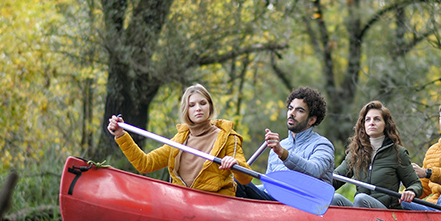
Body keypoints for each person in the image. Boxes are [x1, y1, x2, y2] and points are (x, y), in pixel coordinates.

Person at [107, 83, 253, 196]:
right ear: (186, 110)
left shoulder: (228, 137)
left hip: (216, 205)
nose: (198, 108)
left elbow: (246, 179)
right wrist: (120, 135)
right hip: (183, 203)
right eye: (192, 105)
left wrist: (235, 164)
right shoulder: (179, 140)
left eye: (203, 103)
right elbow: (145, 164)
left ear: (210, 106)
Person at [238, 86, 335, 200]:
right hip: (273, 205)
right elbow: (267, 186)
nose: (292, 113)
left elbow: (314, 171)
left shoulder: (322, 145)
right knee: (235, 183)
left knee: (238, 183)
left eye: (300, 110)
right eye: (290, 108)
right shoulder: (280, 146)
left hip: (304, 205)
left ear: (311, 120)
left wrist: (283, 154)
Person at [331, 101, 422, 209]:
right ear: (363, 124)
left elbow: (416, 184)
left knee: (361, 199)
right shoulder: (355, 153)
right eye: (368, 119)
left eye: (377, 119)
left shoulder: (398, 153)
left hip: (386, 214)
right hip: (360, 210)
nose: (371, 123)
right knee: (334, 198)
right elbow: (334, 179)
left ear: (386, 124)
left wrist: (411, 191)